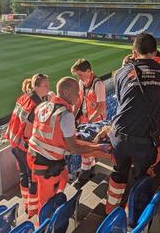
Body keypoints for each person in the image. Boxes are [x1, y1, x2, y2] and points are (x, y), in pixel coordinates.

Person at [104, 33, 160, 214]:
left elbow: (122, 104)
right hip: (146, 141)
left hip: (120, 137)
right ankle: (133, 217)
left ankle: (110, 212)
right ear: (155, 53)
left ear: (134, 52)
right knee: (142, 176)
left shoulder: (121, 72)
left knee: (118, 174)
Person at [27, 77, 110, 214]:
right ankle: (45, 225)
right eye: (76, 93)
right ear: (65, 93)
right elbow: (73, 147)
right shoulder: (65, 115)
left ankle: (42, 209)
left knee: (63, 176)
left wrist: (94, 146)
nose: (79, 96)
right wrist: (98, 148)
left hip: (33, 155)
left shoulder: (43, 106)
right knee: (46, 203)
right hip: (46, 165)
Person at [4, 74, 50, 218]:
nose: (49, 88)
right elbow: (29, 133)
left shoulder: (24, 97)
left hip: (14, 143)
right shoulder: (36, 105)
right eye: (46, 86)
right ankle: (33, 210)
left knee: (23, 174)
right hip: (24, 147)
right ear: (36, 87)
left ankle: (27, 204)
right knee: (32, 178)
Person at [71, 59, 107, 181]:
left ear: (88, 71)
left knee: (87, 150)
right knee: (86, 149)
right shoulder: (81, 83)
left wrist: (89, 122)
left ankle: (84, 174)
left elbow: (101, 107)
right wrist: (73, 116)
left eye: (80, 74)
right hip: (85, 122)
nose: (79, 77)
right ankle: (90, 171)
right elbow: (78, 102)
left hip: (95, 124)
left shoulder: (98, 84)